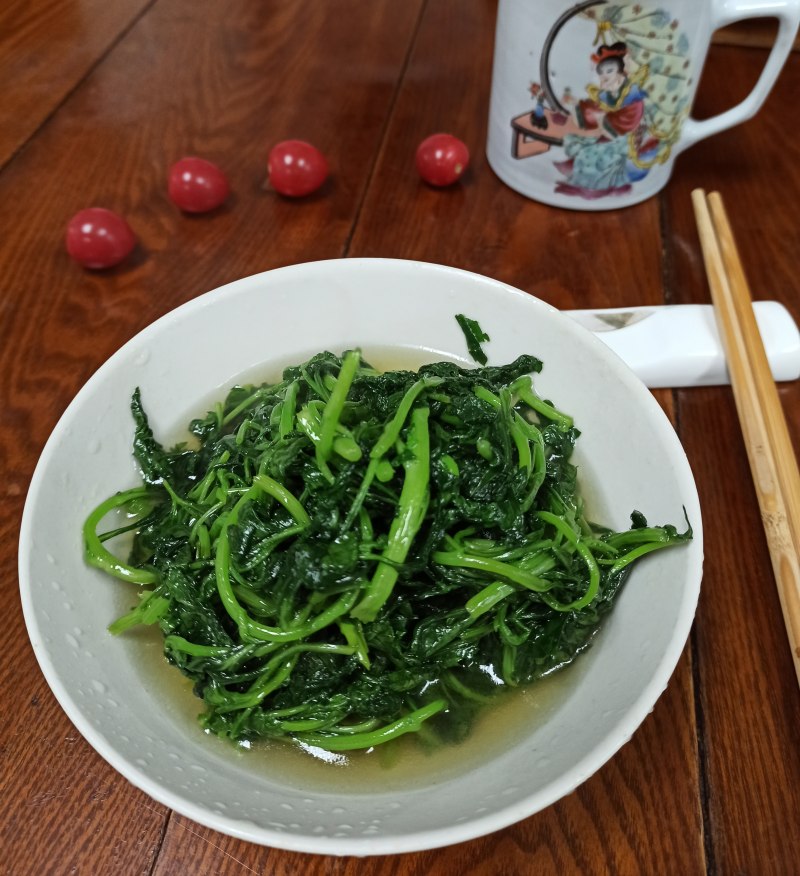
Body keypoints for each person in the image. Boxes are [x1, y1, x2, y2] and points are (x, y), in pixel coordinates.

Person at [555, 42, 660, 200]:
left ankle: (594, 188)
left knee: (590, 154)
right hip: (611, 132)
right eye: (602, 72)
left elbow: (626, 121)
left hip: (627, 138)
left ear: (620, 72)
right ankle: (581, 179)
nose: (605, 76)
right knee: (578, 142)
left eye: (610, 71)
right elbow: (597, 108)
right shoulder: (609, 94)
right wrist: (577, 104)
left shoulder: (632, 95)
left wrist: (602, 119)